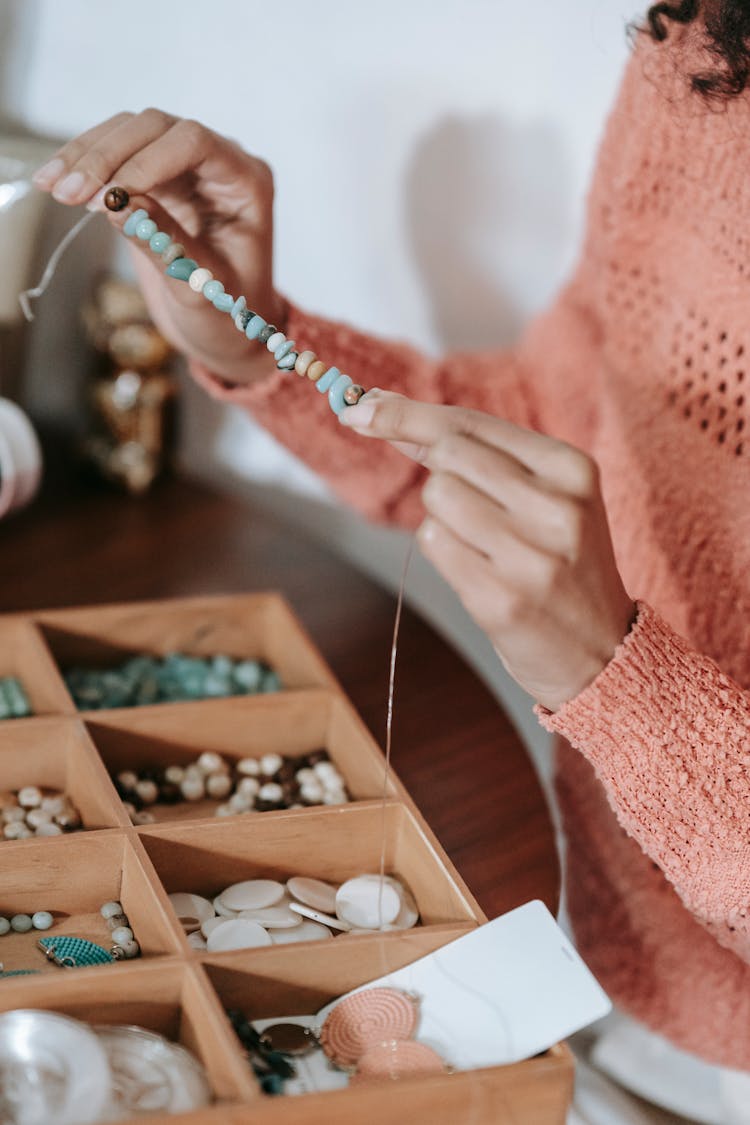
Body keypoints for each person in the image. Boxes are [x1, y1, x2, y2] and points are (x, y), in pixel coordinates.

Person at [31, 4, 750, 1122]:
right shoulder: (708, 44)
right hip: (601, 956)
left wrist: (620, 681)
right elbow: (553, 428)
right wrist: (256, 339)